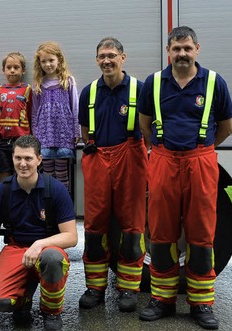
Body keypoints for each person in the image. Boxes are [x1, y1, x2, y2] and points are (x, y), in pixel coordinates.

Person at [138, 26, 232, 330]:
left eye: (187, 48)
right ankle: (162, 300)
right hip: (164, 160)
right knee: (162, 231)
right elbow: (145, 125)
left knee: (201, 234)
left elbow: (227, 127)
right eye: (176, 49)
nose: (181, 54)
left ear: (197, 49)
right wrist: (166, 152)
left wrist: (201, 150)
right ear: (169, 51)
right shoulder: (154, 83)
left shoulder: (215, 82)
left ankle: (201, 303)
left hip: (200, 162)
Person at [76, 38, 147, 312]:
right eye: (102, 56)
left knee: (132, 225)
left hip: (131, 159)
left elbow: (149, 127)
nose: (107, 61)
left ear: (123, 57)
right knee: (94, 226)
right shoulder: (88, 92)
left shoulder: (140, 90)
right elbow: (85, 130)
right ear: (96, 60)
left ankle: (128, 289)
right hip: (98, 159)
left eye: (112, 55)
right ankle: (95, 288)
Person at [0, 135, 77, 331]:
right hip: (16, 248)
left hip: (48, 249)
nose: (22, 164)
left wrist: (40, 244)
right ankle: (23, 299)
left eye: (28, 158)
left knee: (52, 259)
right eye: (18, 158)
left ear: (39, 160)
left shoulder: (56, 189)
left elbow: (71, 236)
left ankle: (51, 312)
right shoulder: (2, 191)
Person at [31, 41, 80, 194]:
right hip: (45, 134)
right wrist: (35, 132)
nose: (48, 64)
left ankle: (62, 202)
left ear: (59, 60)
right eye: (44, 61)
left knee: (61, 171)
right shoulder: (38, 84)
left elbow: (75, 107)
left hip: (62, 133)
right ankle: (48, 203)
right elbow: (34, 110)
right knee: (46, 171)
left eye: (51, 60)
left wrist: (76, 131)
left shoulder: (67, 81)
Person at [0, 52, 33, 182]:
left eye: (16, 67)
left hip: (22, 140)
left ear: (23, 70)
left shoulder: (28, 89)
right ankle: (6, 200)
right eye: (9, 67)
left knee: (22, 172)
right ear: (3, 70)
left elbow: (32, 113)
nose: (12, 71)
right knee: (4, 172)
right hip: (3, 140)